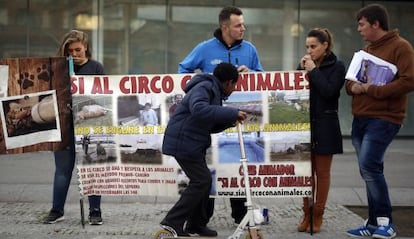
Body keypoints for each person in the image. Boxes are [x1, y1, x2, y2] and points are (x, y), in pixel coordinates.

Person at [178, 5, 264, 226]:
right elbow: (183, 70)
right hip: (211, 119)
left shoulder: (250, 49)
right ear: (225, 27)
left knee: (237, 163)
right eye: (238, 25)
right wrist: (205, 81)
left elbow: (263, 77)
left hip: (238, 117)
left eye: (243, 24)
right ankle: (202, 220)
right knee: (210, 167)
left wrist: (251, 74)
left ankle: (240, 215)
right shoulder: (205, 48)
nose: (243, 28)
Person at [345, 4, 414, 239]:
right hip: (360, 118)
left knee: (370, 166)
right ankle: (373, 223)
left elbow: (409, 81)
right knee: (368, 169)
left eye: (362, 24)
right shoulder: (367, 50)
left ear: (376, 24)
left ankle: (386, 222)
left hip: (384, 118)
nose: (359, 29)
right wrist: (353, 87)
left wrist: (372, 89)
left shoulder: (401, 47)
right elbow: (350, 82)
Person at [160, 62, 247, 237]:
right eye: (235, 85)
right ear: (229, 82)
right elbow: (199, 110)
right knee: (201, 181)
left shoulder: (213, 90)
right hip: (184, 142)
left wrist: (230, 121)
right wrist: (231, 112)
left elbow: (209, 124)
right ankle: (173, 221)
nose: (234, 89)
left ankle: (196, 225)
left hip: (192, 142)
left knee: (204, 182)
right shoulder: (205, 87)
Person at [43, 30, 105, 225]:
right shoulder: (58, 69)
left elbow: (102, 96)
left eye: (78, 50)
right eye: (70, 51)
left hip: (88, 127)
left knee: (92, 169)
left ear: (85, 47)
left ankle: (95, 211)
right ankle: (56, 210)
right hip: (64, 127)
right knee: (62, 170)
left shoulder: (96, 67)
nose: (75, 54)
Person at [296, 28, 345, 233]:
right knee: (306, 174)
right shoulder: (305, 65)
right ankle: (306, 213)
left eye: (313, 46)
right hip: (305, 125)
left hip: (326, 125)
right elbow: (294, 91)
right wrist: (300, 71)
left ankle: (318, 214)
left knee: (322, 173)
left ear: (325, 46)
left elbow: (329, 91)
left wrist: (313, 71)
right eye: (307, 46)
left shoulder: (338, 66)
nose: (310, 50)